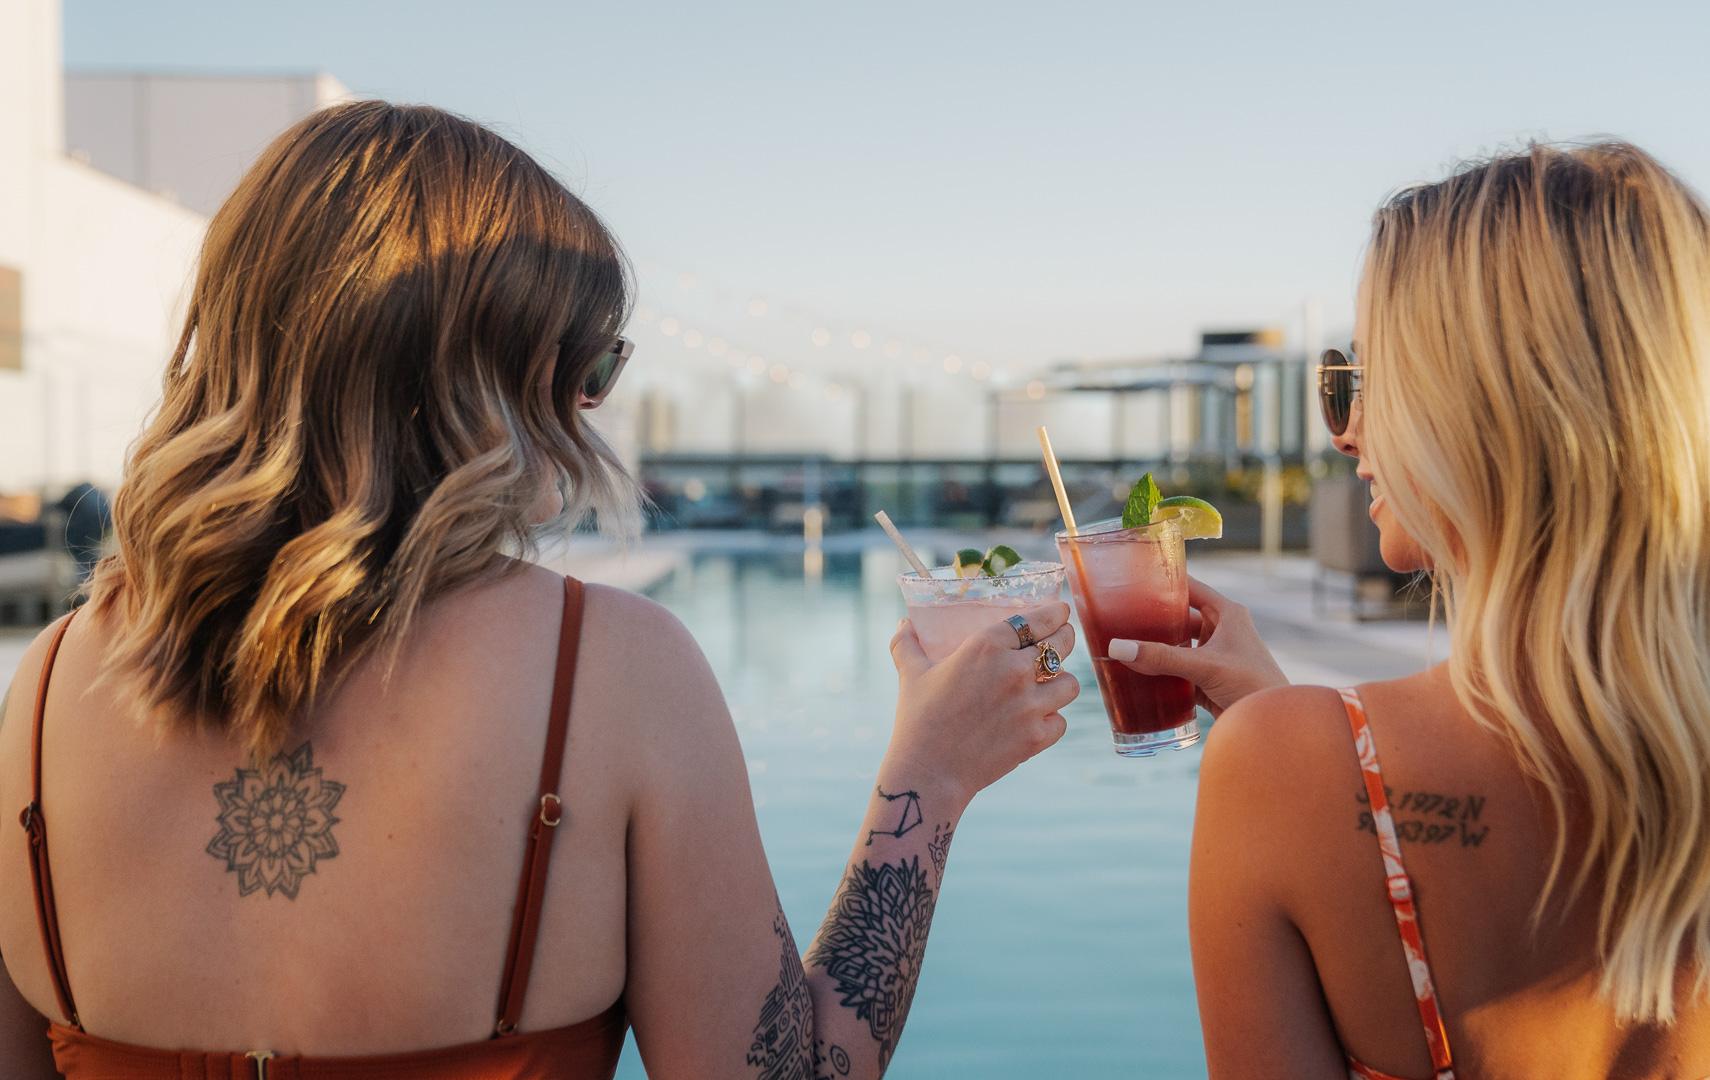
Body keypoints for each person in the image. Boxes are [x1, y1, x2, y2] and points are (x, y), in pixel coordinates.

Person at [0, 100, 1079, 1079]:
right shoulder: (615, 672)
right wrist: (927, 783)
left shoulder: (46, 689)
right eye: (590, 367)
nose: (591, 409)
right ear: (489, 376)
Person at [1108, 142, 1710, 1078]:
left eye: (1373, 379)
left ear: (1489, 411)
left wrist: (1285, 741)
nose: (1346, 432)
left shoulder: (1276, 771)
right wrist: (1294, 726)